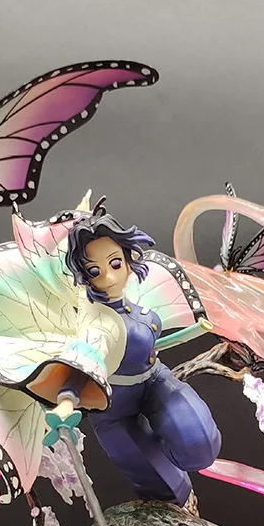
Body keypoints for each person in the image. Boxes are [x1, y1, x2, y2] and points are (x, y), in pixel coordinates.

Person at [48, 202, 221, 506]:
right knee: (168, 488)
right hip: (114, 408)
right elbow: (86, 357)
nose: (109, 277)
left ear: (129, 259)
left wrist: (194, 331)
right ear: (84, 276)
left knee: (198, 441)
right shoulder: (98, 323)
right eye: (94, 271)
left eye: (115, 264)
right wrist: (67, 399)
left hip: (154, 381)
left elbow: (151, 344)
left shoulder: (139, 307)